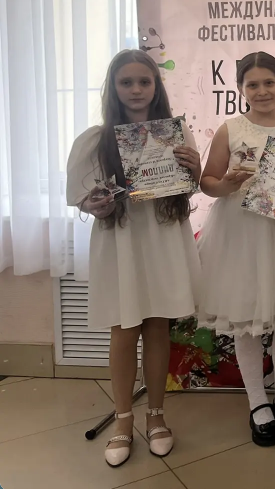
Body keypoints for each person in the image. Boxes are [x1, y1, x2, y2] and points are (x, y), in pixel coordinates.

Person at [66, 49, 202, 467]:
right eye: (127, 82)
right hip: (121, 241)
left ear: (156, 86)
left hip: (162, 236)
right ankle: (123, 420)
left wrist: (194, 169)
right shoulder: (95, 140)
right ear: (114, 88)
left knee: (158, 325)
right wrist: (94, 204)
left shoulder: (176, 133)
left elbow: (190, 186)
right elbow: (81, 197)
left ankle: (156, 415)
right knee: (124, 329)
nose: (137, 89)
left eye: (145, 81)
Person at [196, 52, 275, 448]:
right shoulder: (230, 129)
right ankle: (257, 403)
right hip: (240, 233)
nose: (262, 91)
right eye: (253, 84)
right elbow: (207, 181)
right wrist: (227, 184)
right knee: (245, 316)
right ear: (240, 88)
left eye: (269, 82)